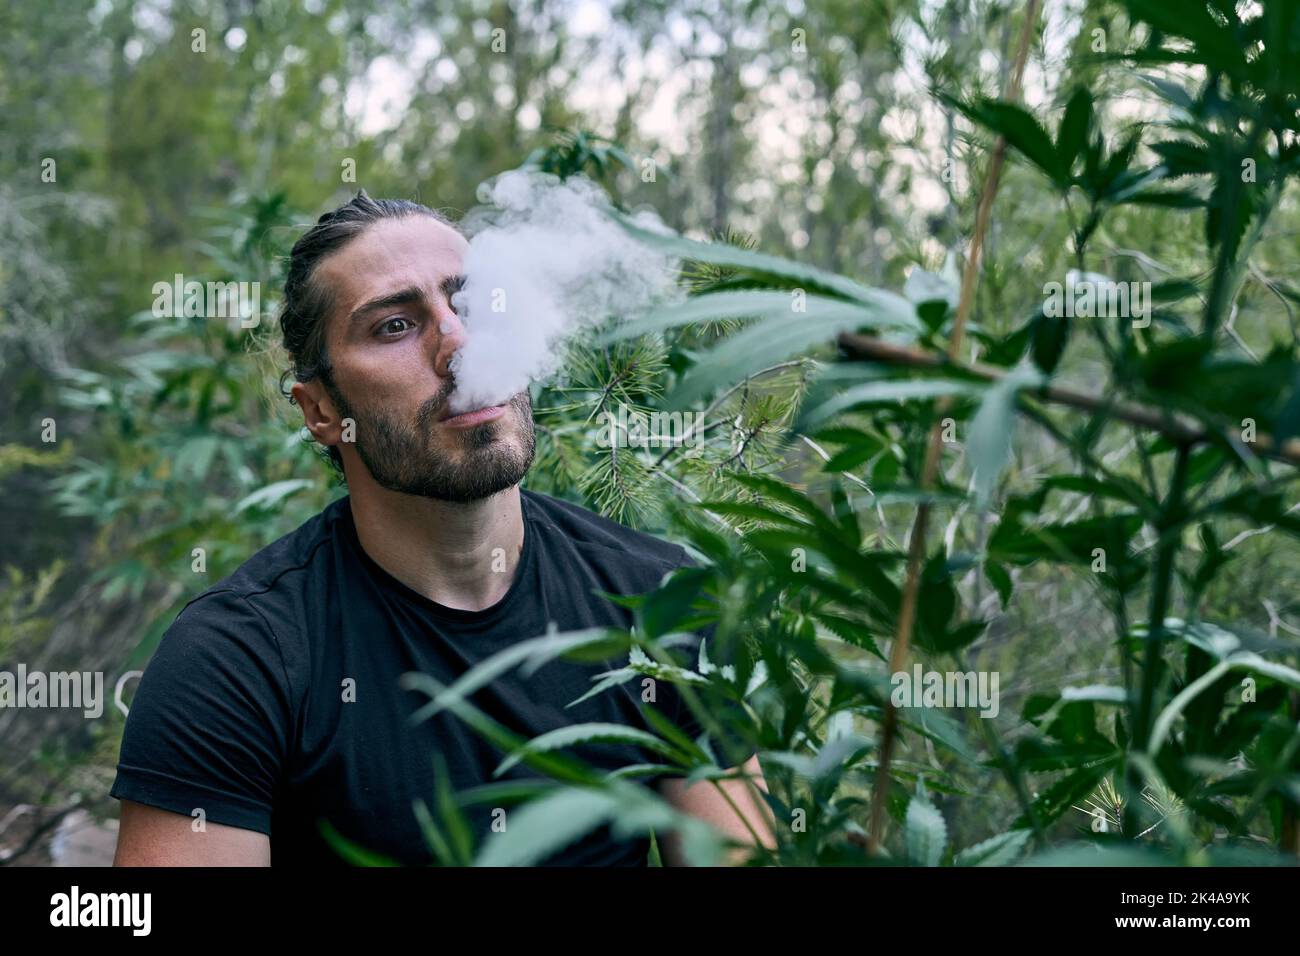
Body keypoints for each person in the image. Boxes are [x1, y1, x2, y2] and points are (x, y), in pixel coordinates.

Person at [110, 191, 772, 866]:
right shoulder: (234, 661)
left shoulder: (661, 600)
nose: (457, 344)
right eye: (394, 326)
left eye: (475, 304)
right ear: (319, 409)